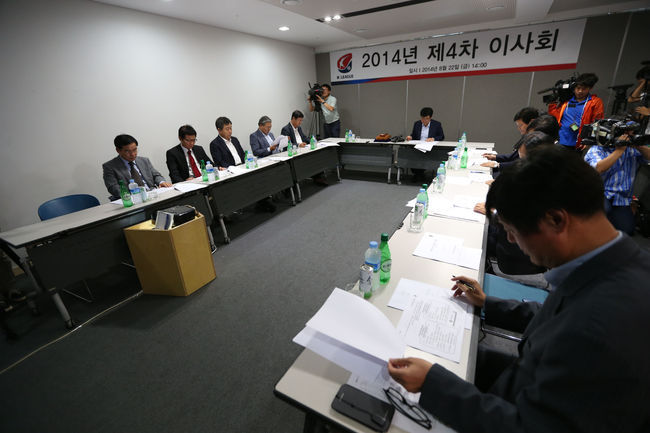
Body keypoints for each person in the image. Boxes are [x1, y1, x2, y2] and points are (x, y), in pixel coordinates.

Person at [388, 146, 650, 432]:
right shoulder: (609, 263)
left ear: (556, 220)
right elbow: (553, 318)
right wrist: (487, 302)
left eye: (513, 231)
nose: (511, 241)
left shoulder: (604, 325)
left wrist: (434, 385)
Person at [584, 131, 650, 234]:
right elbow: (599, 168)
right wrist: (619, 151)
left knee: (627, 230)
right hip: (600, 193)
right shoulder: (597, 149)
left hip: (621, 198)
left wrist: (638, 145)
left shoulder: (632, 150)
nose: (625, 137)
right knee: (603, 213)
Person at [102, 134, 171, 200]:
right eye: (127, 151)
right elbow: (113, 188)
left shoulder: (144, 160)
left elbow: (156, 175)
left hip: (152, 194)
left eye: (134, 150)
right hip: (132, 198)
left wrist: (161, 182)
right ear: (118, 150)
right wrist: (134, 196)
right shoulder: (110, 167)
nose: (132, 154)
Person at [548, 73, 604, 151]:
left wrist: (589, 140)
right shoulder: (566, 100)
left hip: (577, 143)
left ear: (590, 88)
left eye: (584, 89)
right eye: (578, 88)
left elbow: (597, 122)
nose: (580, 91)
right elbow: (554, 115)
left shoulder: (595, 102)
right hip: (559, 140)